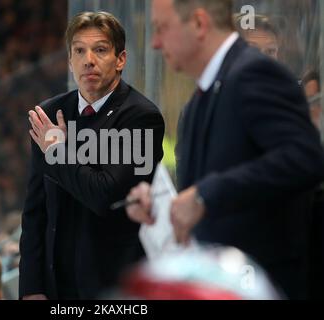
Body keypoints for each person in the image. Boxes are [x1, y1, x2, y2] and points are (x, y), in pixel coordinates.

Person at [126, 0, 324, 299]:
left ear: (199, 24)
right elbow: (203, 196)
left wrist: (206, 194)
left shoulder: (254, 72)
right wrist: (164, 208)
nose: (154, 42)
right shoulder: (196, 102)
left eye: (161, 28)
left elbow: (304, 158)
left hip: (263, 284)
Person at [19, 11, 164, 300]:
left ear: (120, 59)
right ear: (70, 61)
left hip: (114, 288)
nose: (89, 60)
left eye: (100, 50)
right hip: (55, 285)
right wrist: (32, 288)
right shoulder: (48, 113)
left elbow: (104, 195)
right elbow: (36, 209)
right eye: (79, 51)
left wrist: (58, 152)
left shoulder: (141, 117)